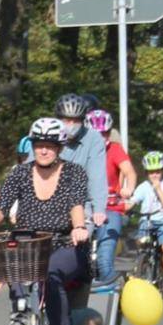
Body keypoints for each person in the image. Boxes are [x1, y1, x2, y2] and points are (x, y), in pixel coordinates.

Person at [0, 118, 91, 325]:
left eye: (49, 145)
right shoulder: (20, 173)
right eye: (39, 145)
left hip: (63, 244)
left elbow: (76, 205)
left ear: (59, 147)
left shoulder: (74, 173)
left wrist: (79, 227)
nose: (43, 150)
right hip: (27, 245)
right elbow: (2, 206)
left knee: (50, 274)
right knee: (15, 275)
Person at [54, 94, 114, 280]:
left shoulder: (94, 139)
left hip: (82, 203)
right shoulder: (47, 134)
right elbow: (27, 172)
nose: (71, 124)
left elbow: (97, 176)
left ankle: (80, 283)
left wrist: (99, 209)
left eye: (76, 120)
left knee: (79, 244)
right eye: (66, 120)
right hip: (47, 201)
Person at [91, 113, 140, 285]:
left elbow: (129, 172)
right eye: (97, 133)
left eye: (105, 133)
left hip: (110, 207)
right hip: (84, 208)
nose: (102, 137)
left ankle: (112, 292)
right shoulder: (79, 150)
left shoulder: (114, 149)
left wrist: (129, 189)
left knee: (104, 260)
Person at [129, 150, 163, 289]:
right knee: (141, 242)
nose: (154, 175)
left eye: (157, 172)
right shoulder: (143, 187)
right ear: (146, 173)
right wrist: (126, 207)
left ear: (162, 171)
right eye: (151, 172)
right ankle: (139, 266)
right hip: (147, 221)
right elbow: (133, 201)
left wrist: (158, 189)